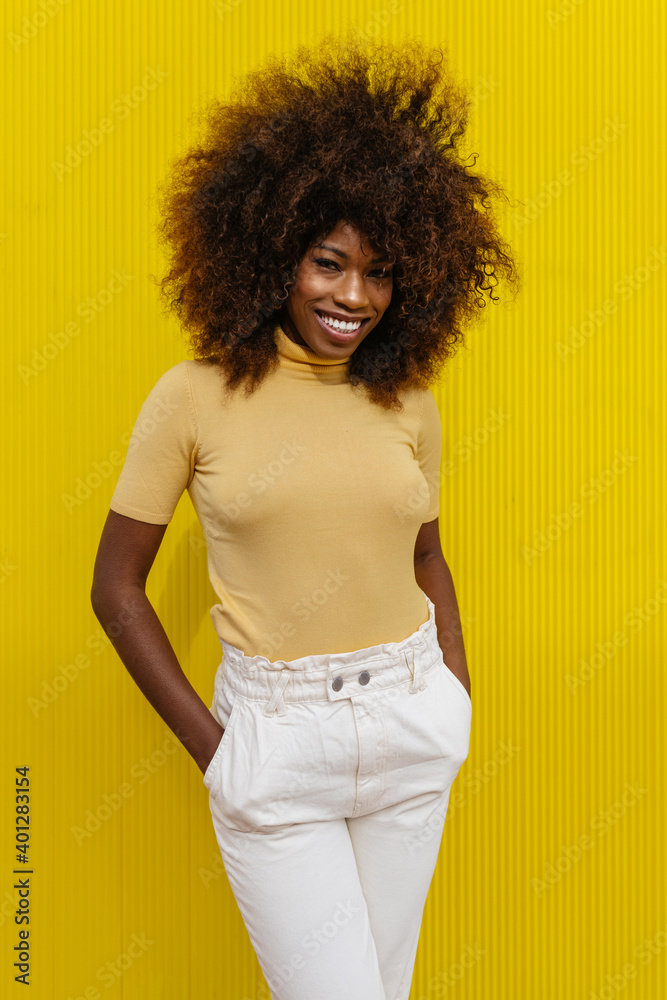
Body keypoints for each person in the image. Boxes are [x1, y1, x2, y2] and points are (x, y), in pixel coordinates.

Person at [90, 31, 518, 1000]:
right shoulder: (190, 397)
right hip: (274, 741)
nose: (353, 296)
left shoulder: (406, 398)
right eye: (329, 263)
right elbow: (114, 588)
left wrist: (451, 694)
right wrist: (218, 752)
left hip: (410, 721)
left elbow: (427, 556)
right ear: (274, 252)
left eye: (379, 272)